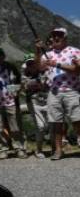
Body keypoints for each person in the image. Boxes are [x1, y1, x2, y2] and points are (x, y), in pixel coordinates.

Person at [35, 27, 80, 160]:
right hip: (53, 92)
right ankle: (58, 150)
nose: (56, 37)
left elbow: (78, 70)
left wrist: (57, 65)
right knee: (56, 123)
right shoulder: (47, 54)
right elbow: (39, 67)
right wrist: (38, 50)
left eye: (59, 35)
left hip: (72, 91)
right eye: (54, 35)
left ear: (65, 37)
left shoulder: (74, 51)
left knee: (77, 120)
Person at [0, 49, 27, 159]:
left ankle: (19, 148)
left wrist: (14, 92)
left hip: (10, 101)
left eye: (0, 55)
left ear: (4, 56)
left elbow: (19, 81)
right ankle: (3, 149)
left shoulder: (11, 66)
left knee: (16, 127)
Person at [21, 54, 50, 158]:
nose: (31, 65)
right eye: (29, 63)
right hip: (34, 102)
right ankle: (39, 150)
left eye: (32, 63)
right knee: (41, 126)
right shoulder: (24, 75)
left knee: (49, 125)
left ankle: (54, 148)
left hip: (47, 100)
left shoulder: (45, 71)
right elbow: (25, 88)